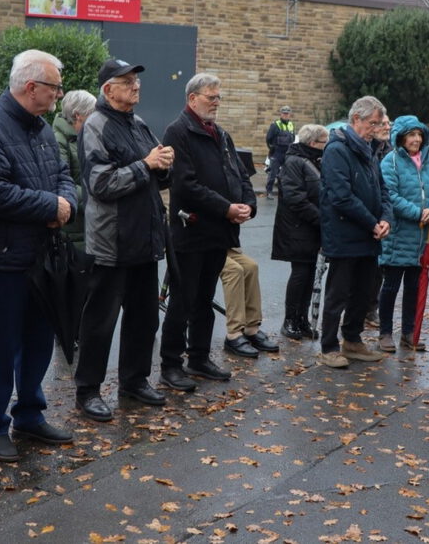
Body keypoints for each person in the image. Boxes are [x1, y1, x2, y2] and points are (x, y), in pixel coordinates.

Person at [0, 49, 76, 462]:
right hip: (2, 260)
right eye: (55, 87)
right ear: (32, 87)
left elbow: (65, 175)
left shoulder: (42, 129)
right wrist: (51, 207)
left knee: (38, 341)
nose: (59, 94)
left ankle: (29, 413)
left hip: (39, 257)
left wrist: (65, 202)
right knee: (0, 344)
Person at [74, 59, 172, 422]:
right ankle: (87, 391)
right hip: (112, 241)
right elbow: (100, 185)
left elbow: (155, 175)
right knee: (100, 321)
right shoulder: (95, 126)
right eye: (126, 81)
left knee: (145, 318)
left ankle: (135, 380)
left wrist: (165, 164)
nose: (136, 87)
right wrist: (147, 165)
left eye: (136, 81)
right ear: (107, 90)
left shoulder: (139, 123)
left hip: (144, 238)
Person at [160, 73, 258, 391]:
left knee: (204, 298)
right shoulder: (179, 132)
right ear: (192, 98)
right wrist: (226, 208)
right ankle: (171, 365)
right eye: (210, 97)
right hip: (191, 231)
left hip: (219, 234)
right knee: (182, 301)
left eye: (218, 97)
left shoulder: (220, 134)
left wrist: (247, 205)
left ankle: (199, 357)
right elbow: (186, 185)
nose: (216, 103)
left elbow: (240, 175)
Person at [317, 96, 392, 368]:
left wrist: (385, 219)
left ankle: (352, 340)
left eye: (380, 123)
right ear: (356, 120)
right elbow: (341, 196)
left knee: (363, 292)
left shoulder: (368, 150)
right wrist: (373, 223)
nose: (376, 128)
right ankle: (328, 346)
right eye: (372, 123)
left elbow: (382, 190)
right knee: (338, 293)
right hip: (344, 235)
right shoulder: (337, 150)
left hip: (369, 235)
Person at [376, 115, 429, 352]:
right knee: (391, 286)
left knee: (414, 287)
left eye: (419, 134)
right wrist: (418, 212)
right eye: (411, 135)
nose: (416, 139)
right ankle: (384, 333)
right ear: (401, 137)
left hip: (423, 238)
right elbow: (390, 196)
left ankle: (408, 332)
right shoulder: (390, 162)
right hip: (399, 235)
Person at [271, 124, 328, 340]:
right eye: (324, 142)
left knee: (310, 274)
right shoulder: (295, 161)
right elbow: (295, 198)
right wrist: (321, 218)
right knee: (300, 274)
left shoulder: (314, 161)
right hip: (297, 228)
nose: (326, 146)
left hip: (310, 228)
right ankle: (290, 321)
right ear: (313, 143)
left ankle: (302, 319)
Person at [53, 90, 97, 257]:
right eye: (92, 114)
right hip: (74, 228)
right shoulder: (59, 140)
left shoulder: (87, 136)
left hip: (89, 224)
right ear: (78, 115)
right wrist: (94, 198)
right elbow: (63, 181)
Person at [219, 249, 278, 357]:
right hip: (202, 247)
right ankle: (233, 334)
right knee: (233, 270)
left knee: (250, 267)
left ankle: (251, 328)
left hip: (221, 245)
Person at [364, 115, 393, 329]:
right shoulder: (368, 150)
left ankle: (370, 308)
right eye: (382, 123)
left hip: (384, 219)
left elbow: (386, 190)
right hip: (368, 219)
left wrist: (386, 218)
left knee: (379, 270)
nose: (387, 126)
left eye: (388, 123)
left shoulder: (388, 150)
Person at [264, 105, 295, 199]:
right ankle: (269, 191)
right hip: (277, 152)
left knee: (286, 174)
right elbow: (268, 138)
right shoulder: (275, 124)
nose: (285, 115)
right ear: (281, 114)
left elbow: (292, 138)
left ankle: (283, 192)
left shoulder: (291, 124)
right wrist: (271, 148)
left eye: (287, 113)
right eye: (284, 113)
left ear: (290, 114)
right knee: (273, 173)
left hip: (287, 153)